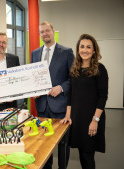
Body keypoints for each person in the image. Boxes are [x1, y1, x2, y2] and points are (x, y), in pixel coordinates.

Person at [60, 34, 108, 169]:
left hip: (92, 118)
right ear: (78, 49)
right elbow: (71, 94)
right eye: (82, 47)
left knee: (87, 156)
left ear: (94, 50)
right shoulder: (75, 69)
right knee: (82, 153)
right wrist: (68, 115)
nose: (84, 50)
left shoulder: (100, 69)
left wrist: (95, 120)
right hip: (78, 118)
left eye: (88, 47)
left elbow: (103, 96)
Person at [31, 21, 74, 169]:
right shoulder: (35, 53)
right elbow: (33, 78)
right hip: (42, 106)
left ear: (53, 31)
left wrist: (61, 87)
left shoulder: (67, 52)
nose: (45, 34)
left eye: (47, 30)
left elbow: (73, 79)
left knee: (63, 144)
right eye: (42, 32)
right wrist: (33, 90)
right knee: (43, 143)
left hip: (60, 106)